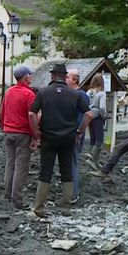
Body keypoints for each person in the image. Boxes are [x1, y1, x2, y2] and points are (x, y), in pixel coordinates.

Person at [29, 64, 94, 217]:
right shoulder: (75, 94)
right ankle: (66, 206)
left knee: (46, 171)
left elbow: (32, 113)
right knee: (66, 171)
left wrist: (36, 132)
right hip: (68, 138)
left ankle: (39, 207)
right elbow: (89, 115)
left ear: (52, 76)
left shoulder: (43, 92)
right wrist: (80, 130)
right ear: (65, 77)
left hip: (48, 138)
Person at [0, 65, 37, 209]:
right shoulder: (29, 94)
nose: (31, 78)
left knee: (10, 164)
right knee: (21, 167)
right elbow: (32, 116)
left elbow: (1, 112)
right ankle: (17, 199)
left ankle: (7, 195)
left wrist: (5, 127)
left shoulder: (8, 92)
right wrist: (35, 135)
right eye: (30, 75)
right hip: (22, 133)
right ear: (26, 77)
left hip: (8, 131)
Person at [66, 69, 89, 204]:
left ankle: (73, 194)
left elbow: (86, 115)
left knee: (72, 163)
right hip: (68, 133)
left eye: (68, 77)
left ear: (75, 80)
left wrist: (79, 132)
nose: (65, 79)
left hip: (75, 135)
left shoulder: (81, 95)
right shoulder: (71, 94)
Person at [85, 74, 107, 169]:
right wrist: (104, 115)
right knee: (99, 139)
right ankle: (92, 159)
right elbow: (102, 107)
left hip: (89, 116)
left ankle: (91, 156)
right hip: (97, 116)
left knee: (93, 138)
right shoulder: (101, 93)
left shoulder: (88, 92)